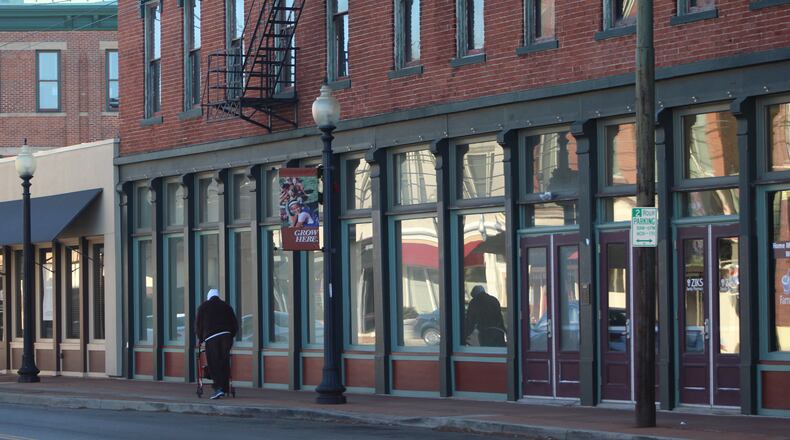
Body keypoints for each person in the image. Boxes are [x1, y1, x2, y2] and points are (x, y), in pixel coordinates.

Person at [195, 289, 238, 399]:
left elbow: (199, 325)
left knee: (214, 362)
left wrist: (200, 338)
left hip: (211, 337)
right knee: (224, 361)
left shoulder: (203, 307)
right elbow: (234, 323)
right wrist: (231, 335)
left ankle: (218, 388)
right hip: (226, 336)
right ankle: (225, 387)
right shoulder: (227, 306)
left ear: (208, 297)